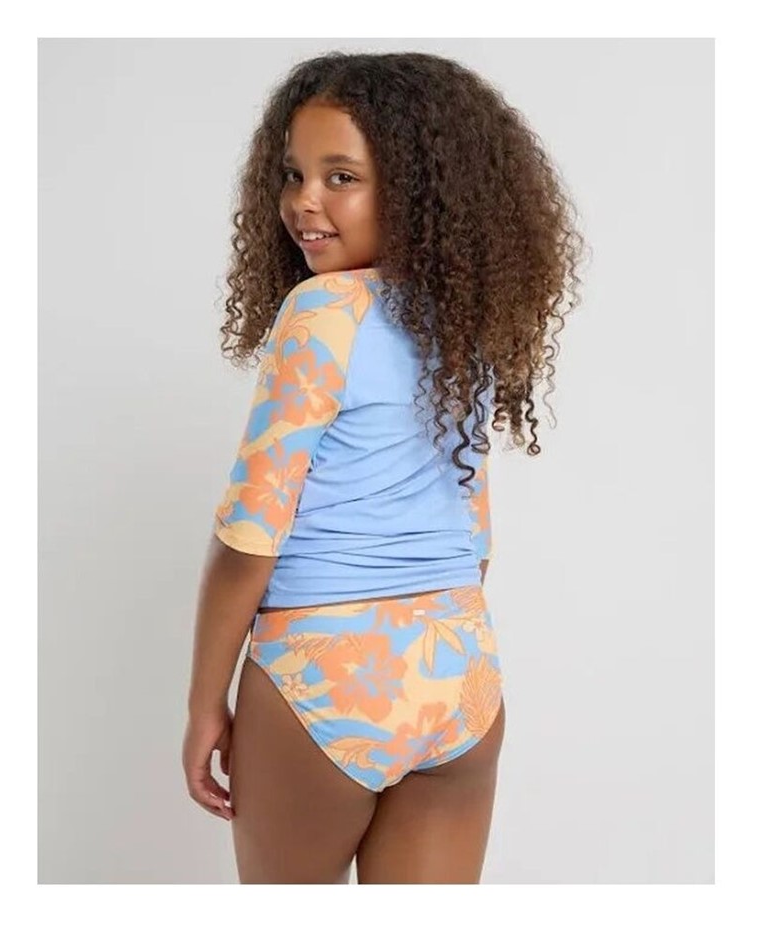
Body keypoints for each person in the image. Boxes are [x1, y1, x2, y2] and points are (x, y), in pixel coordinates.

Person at [183, 50, 585, 884]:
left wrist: (203, 704)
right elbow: (474, 531)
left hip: (323, 680)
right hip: (460, 674)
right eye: (294, 174)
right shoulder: (467, 321)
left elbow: (251, 534)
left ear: (416, 187)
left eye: (342, 177)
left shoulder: (320, 312)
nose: (304, 201)